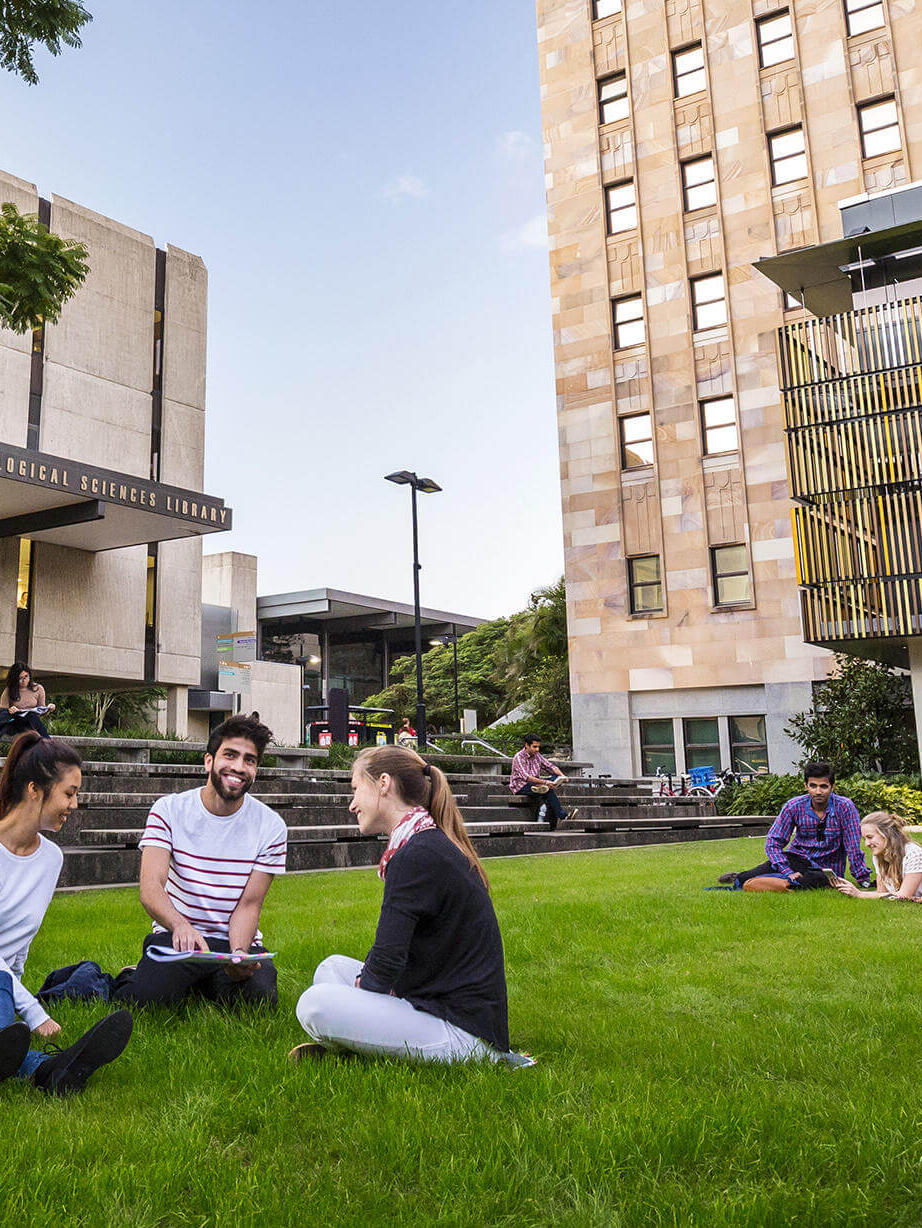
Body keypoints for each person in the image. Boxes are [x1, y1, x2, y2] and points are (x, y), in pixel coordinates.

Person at [293, 745, 529, 1065]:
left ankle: (486, 1060)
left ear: (384, 783)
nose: (352, 804)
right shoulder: (421, 843)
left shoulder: (416, 854)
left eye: (356, 788)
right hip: (432, 1001)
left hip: (464, 1032)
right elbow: (391, 958)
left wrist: (366, 991)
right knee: (331, 968)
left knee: (315, 1005)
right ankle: (355, 1045)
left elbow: (386, 963)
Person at [113, 714, 287, 1009]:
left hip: (230, 942)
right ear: (209, 761)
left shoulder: (271, 826)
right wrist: (180, 926)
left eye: (249, 760)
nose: (238, 767)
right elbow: (151, 887)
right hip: (179, 937)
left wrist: (239, 953)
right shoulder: (168, 810)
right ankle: (136, 975)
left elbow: (249, 905)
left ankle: (203, 981)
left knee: (259, 1001)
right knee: (148, 1000)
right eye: (230, 755)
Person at [0, 732, 133, 1094]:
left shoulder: (50, 859)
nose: (74, 804)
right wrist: (33, 1012)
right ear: (34, 789)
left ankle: (47, 1070)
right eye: (69, 793)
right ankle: (51, 1065)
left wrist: (13, 999)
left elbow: (18, 946)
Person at [716, 761, 872, 892]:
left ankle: (769, 882)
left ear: (832, 787)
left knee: (810, 882)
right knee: (744, 878)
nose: (818, 791)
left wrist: (863, 879)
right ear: (806, 785)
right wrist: (787, 871)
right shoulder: (794, 806)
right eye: (813, 786)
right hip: (796, 859)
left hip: (825, 869)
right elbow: (773, 843)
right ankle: (749, 878)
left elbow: (853, 846)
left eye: (823, 786)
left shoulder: (845, 807)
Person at [834, 811, 922, 900]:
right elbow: (882, 893)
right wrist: (852, 890)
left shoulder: (913, 853)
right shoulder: (879, 855)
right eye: (864, 839)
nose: (866, 844)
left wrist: (860, 894)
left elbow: (903, 896)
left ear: (886, 834)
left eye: (870, 837)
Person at [508, 734, 578, 831]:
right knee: (548, 791)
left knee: (553, 781)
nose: (537, 749)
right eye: (534, 747)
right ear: (527, 745)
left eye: (538, 747)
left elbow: (551, 767)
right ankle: (563, 816)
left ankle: (541, 788)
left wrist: (562, 776)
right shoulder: (519, 757)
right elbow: (526, 777)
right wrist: (546, 782)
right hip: (521, 786)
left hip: (536, 784)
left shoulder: (537, 756)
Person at [0, 662, 55, 739]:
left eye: (26, 676)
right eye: (20, 678)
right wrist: (10, 710)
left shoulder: (38, 688)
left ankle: (47, 742)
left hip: (31, 723)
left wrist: (48, 708)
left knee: (32, 716)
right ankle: (47, 741)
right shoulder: (9, 690)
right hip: (15, 722)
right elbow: (2, 713)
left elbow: (41, 711)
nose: (24, 680)